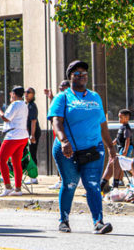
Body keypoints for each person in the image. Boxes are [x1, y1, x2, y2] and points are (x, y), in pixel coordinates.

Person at [48, 60, 117, 234]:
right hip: (67, 150)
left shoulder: (95, 97)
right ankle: (63, 220)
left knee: (93, 184)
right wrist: (64, 141)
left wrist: (110, 146)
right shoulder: (62, 97)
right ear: (70, 77)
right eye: (77, 74)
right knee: (70, 183)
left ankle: (98, 222)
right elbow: (56, 121)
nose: (81, 76)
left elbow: (102, 124)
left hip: (93, 149)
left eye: (84, 74)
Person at [0, 86, 29, 196]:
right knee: (16, 162)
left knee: (1, 159)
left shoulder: (15, 104)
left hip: (13, 135)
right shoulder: (24, 104)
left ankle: (8, 187)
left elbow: (5, 118)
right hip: (23, 136)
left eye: (10, 94)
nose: (10, 97)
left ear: (13, 94)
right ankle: (18, 189)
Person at [45, 80, 70, 190]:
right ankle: (61, 180)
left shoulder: (71, 99)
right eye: (60, 88)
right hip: (58, 134)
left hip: (67, 134)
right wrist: (51, 98)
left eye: (63, 88)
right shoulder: (60, 98)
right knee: (60, 157)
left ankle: (65, 180)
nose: (61, 90)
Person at [101, 109, 132, 193]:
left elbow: (127, 140)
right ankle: (105, 187)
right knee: (113, 166)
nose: (119, 119)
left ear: (126, 118)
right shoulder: (121, 127)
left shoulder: (126, 128)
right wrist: (111, 144)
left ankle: (116, 186)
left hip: (124, 149)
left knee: (118, 166)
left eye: (121, 117)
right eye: (119, 117)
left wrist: (125, 151)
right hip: (120, 149)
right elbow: (117, 139)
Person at [24, 87, 41, 184]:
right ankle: (31, 176)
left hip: (33, 133)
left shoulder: (32, 106)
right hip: (28, 133)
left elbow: (33, 121)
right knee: (29, 154)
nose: (26, 94)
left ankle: (34, 177)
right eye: (25, 92)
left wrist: (32, 135)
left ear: (33, 94)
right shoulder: (27, 105)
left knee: (32, 154)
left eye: (28, 92)